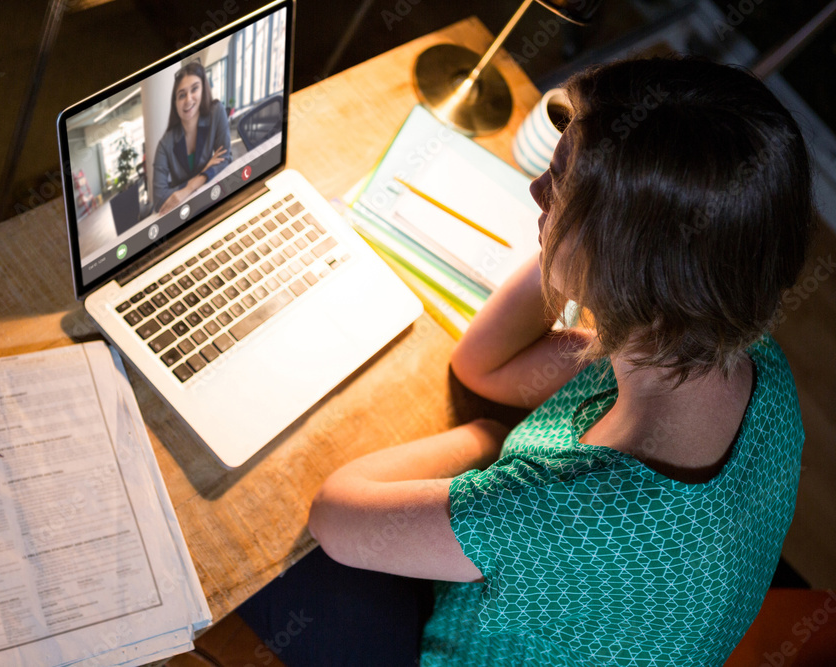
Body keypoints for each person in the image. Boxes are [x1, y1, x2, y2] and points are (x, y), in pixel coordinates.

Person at [240, 56, 816, 665]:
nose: (535, 190)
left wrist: (487, 441)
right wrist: (576, 246)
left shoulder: (569, 510)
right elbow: (482, 367)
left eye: (561, 182)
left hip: (462, 634)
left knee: (264, 540)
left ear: (624, 256)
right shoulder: (738, 355)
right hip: (573, 594)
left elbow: (336, 513)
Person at [152, 60, 232, 214]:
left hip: (212, 199)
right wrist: (205, 171)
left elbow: (225, 158)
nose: (188, 99)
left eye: (194, 89)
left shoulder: (216, 112)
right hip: (181, 212)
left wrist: (191, 186)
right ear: (175, 103)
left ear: (203, 89)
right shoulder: (165, 144)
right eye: (182, 95)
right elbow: (159, 199)